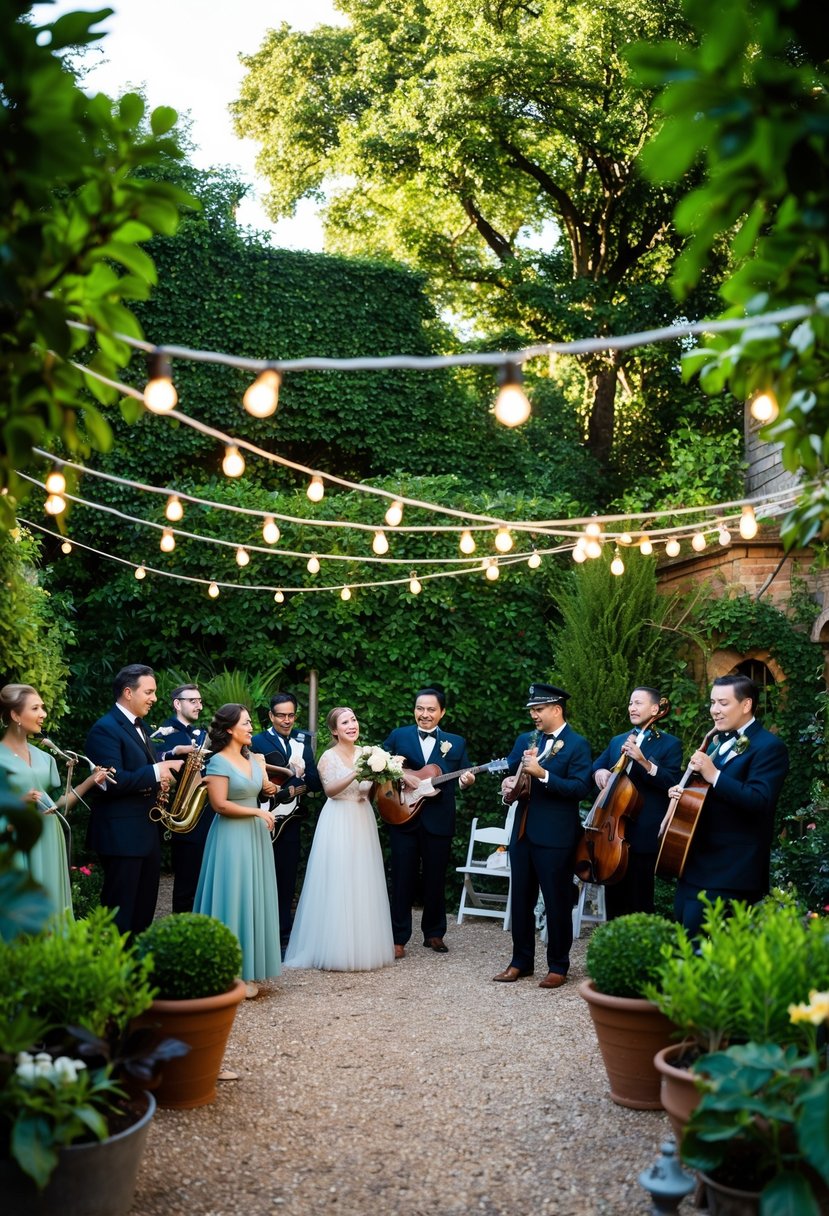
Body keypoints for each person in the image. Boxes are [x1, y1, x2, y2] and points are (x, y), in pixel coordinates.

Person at [667, 674, 790, 936]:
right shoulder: (719, 742)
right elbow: (704, 794)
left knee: (707, 952)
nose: (714, 710)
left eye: (723, 703)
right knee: (682, 943)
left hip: (732, 870)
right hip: (695, 863)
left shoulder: (770, 747)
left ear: (746, 705)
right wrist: (683, 792)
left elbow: (760, 800)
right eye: (712, 702)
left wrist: (715, 775)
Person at [495, 683, 592, 990]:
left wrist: (544, 775)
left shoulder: (578, 745)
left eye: (538, 710)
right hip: (522, 832)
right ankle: (520, 962)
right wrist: (508, 782)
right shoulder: (526, 739)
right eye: (532, 711)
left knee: (557, 900)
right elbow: (511, 771)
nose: (534, 715)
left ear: (556, 709)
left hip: (556, 836)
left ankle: (558, 965)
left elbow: (580, 788)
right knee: (520, 899)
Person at [284, 706, 394, 971]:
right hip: (338, 819)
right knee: (339, 879)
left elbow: (370, 791)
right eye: (345, 722)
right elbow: (331, 791)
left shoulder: (368, 753)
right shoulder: (328, 757)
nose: (351, 725)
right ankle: (334, 949)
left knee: (363, 879)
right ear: (335, 730)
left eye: (354, 720)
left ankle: (363, 947)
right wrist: (357, 771)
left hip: (362, 818)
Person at [85, 664, 183, 935]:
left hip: (144, 832)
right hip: (121, 837)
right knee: (121, 914)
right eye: (149, 692)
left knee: (142, 912)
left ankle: (136, 972)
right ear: (128, 693)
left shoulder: (140, 726)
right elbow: (110, 782)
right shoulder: (104, 729)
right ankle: (115, 973)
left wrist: (159, 784)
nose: (154, 698)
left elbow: (138, 775)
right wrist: (157, 771)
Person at [0, 683, 110, 918]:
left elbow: (58, 807)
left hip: (50, 837)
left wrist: (91, 780)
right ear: (15, 715)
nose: (44, 714)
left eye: (43, 707)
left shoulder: (44, 757)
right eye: (36, 708)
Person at [194, 703, 281, 996]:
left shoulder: (254, 759)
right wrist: (257, 813)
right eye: (245, 723)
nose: (250, 727)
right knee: (232, 896)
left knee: (253, 897)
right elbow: (219, 804)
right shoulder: (218, 761)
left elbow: (266, 789)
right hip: (231, 836)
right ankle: (227, 973)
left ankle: (249, 969)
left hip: (255, 836)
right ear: (229, 729)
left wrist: (266, 780)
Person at [382, 687, 474, 957]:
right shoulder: (399, 736)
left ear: (442, 712)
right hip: (402, 816)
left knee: (436, 879)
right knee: (401, 878)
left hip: (439, 820)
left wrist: (467, 782)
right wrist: (397, 770)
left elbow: (465, 775)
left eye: (431, 709)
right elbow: (377, 765)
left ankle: (434, 933)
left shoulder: (456, 742)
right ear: (414, 710)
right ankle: (397, 938)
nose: (425, 714)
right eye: (420, 708)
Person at [590, 686, 683, 917]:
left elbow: (672, 782)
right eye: (630, 703)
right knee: (614, 898)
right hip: (612, 833)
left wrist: (644, 762)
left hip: (643, 832)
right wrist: (599, 772)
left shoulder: (670, 744)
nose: (632, 707)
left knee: (641, 899)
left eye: (638, 703)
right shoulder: (617, 740)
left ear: (654, 709)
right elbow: (595, 766)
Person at [251, 691, 321, 954]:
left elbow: (315, 782)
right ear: (271, 716)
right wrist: (290, 782)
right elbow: (254, 781)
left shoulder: (303, 743)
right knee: (260, 877)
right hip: (263, 818)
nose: (287, 720)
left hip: (292, 820)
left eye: (291, 715)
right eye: (281, 715)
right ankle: (260, 931)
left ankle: (283, 934)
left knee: (287, 877)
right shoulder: (256, 741)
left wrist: (294, 787)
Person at [151, 683, 212, 913]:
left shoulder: (202, 734)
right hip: (183, 815)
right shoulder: (162, 734)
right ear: (177, 704)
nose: (199, 705)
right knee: (187, 884)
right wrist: (173, 752)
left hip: (205, 813)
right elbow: (152, 763)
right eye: (193, 701)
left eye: (200, 700)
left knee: (204, 881)